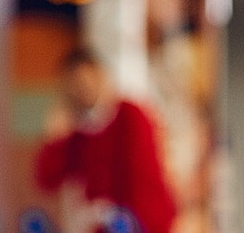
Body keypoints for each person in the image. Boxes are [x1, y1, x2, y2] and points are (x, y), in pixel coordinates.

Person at [33, 48, 177, 233]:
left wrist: (107, 213)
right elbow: (46, 180)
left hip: (145, 224)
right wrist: (54, 139)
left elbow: (142, 181)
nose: (83, 89)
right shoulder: (76, 134)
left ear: (100, 76)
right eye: (75, 85)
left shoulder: (130, 115)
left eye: (86, 81)